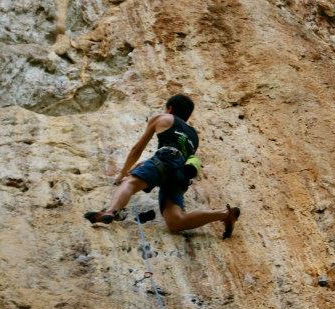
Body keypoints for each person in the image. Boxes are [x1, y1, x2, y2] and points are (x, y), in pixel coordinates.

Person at [84, 94, 240, 238]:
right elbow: (177, 157)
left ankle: (111, 211)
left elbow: (137, 149)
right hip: (181, 174)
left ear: (170, 108)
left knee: (129, 183)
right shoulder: (193, 136)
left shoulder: (163, 118)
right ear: (187, 115)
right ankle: (225, 214)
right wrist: (145, 163)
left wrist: (122, 174)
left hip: (165, 160)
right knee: (176, 222)